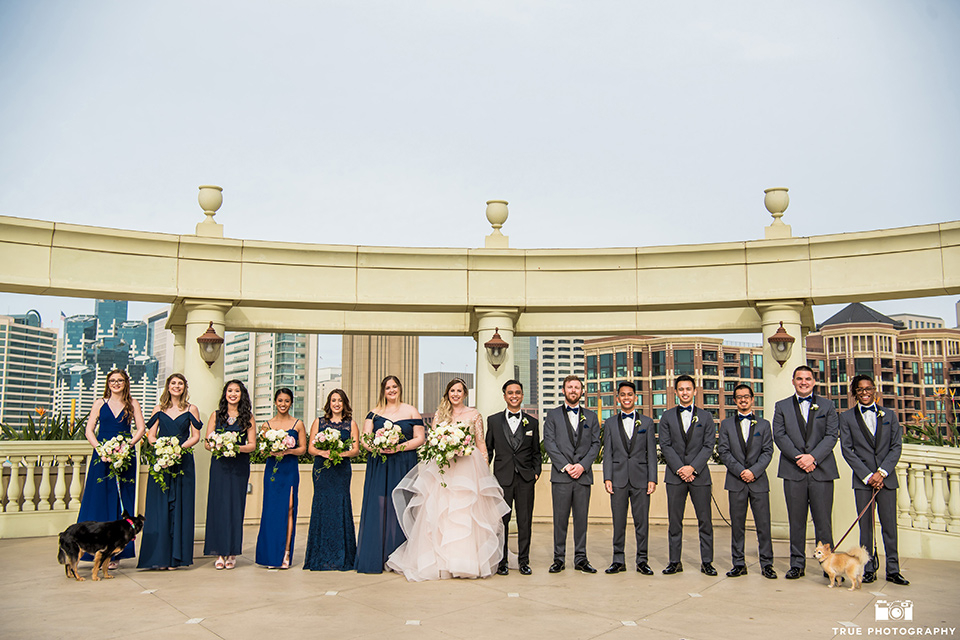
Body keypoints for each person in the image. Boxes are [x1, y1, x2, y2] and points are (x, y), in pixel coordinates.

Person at [387, 378, 509, 581]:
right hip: (444, 472)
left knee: (464, 514)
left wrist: (484, 471)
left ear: (465, 393)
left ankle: (465, 563)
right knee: (441, 513)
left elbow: (481, 444)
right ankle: (442, 563)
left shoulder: (474, 415)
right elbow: (432, 443)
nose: (455, 394)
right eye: (452, 390)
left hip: (468, 471)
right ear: (447, 393)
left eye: (459, 390)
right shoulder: (440, 415)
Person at [839, 374, 909, 586]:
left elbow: (896, 446)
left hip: (887, 481)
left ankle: (893, 570)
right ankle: (868, 569)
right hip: (863, 482)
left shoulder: (889, 414)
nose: (865, 392)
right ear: (854, 393)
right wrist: (868, 476)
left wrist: (883, 472)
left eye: (868, 388)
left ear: (874, 390)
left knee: (889, 526)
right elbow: (847, 449)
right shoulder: (847, 418)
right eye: (860, 390)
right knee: (866, 528)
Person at [772, 365, 839, 580]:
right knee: (796, 521)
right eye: (799, 378)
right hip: (794, 472)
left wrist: (813, 458)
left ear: (813, 382)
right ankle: (797, 565)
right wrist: (800, 459)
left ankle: (829, 567)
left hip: (822, 471)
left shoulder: (828, 406)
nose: (803, 382)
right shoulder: (781, 406)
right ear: (793, 381)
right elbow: (780, 436)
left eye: (807, 379)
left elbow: (831, 436)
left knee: (823, 522)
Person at [354, 376, 425, 573]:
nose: (391, 390)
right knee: (380, 506)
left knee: (401, 506)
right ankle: (379, 555)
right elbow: (365, 440)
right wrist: (378, 447)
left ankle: (400, 557)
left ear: (400, 389)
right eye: (388, 388)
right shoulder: (374, 414)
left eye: (394, 387)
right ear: (383, 391)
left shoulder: (411, 410)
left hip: (404, 463)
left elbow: (420, 438)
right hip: (380, 463)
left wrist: (399, 447)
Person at [77, 368, 146, 569]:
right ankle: (90, 549)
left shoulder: (133, 404)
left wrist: (128, 446)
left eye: (120, 380)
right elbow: (89, 430)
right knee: (98, 499)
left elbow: (141, 428)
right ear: (108, 383)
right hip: (103, 456)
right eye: (112, 380)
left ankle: (114, 554)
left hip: (125, 456)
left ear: (126, 383)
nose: (116, 383)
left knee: (122, 500)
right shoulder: (100, 403)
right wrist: (100, 449)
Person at [137, 374, 202, 570]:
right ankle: (159, 557)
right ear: (168, 386)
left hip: (183, 461)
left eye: (180, 383)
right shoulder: (158, 409)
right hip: (162, 462)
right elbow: (151, 436)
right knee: (159, 508)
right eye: (173, 383)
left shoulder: (192, 409)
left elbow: (196, 436)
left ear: (185, 387)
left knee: (181, 507)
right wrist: (164, 448)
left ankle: (177, 558)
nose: (176, 386)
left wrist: (179, 448)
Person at [716, 384, 776, 579]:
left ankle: (767, 564)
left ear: (752, 399)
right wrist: (741, 471)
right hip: (736, 481)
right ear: (735, 401)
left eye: (746, 397)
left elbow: (768, 451)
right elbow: (723, 451)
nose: (743, 400)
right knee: (737, 525)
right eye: (739, 397)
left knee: (763, 525)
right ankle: (738, 563)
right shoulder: (725, 424)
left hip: (758, 482)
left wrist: (754, 471)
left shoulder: (764, 425)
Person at [659, 374, 717, 576]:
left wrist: (692, 468)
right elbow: (665, 445)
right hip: (675, 477)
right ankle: (674, 561)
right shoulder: (666, 417)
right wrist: (680, 469)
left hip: (699, 476)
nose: (685, 392)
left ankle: (707, 562)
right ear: (676, 392)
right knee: (675, 521)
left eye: (688, 389)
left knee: (705, 521)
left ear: (695, 391)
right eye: (681, 389)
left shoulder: (706, 417)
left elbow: (709, 445)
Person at [542, 374, 601, 574]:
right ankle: (558, 559)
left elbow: (596, 444)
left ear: (582, 391)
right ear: (563, 391)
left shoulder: (591, 417)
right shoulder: (552, 416)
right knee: (560, 519)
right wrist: (567, 466)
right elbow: (549, 443)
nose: (573, 390)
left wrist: (582, 466)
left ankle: (581, 558)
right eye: (570, 387)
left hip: (583, 476)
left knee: (581, 519)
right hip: (561, 476)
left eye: (577, 387)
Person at [601, 381, 657, 575]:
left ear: (635, 397)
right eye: (623, 395)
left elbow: (651, 452)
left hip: (641, 479)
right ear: (618, 398)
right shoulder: (609, 423)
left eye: (630, 394)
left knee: (642, 522)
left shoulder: (648, 423)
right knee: (618, 521)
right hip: (617, 479)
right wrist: (607, 477)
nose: (626, 398)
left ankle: (642, 560)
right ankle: (618, 560)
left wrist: (653, 479)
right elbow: (607, 452)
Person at [486, 379, 540, 576]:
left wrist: (535, 472)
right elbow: (488, 451)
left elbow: (536, 453)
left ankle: (524, 561)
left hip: (526, 479)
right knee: (502, 522)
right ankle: (502, 562)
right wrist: (486, 476)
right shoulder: (493, 421)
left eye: (517, 392)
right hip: (502, 479)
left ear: (522, 395)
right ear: (505, 396)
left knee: (525, 521)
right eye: (510, 393)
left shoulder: (532, 422)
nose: (514, 396)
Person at [303, 389, 360, 571]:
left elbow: (356, 449)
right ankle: (320, 557)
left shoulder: (351, 424)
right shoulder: (319, 422)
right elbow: (311, 448)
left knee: (340, 506)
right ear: (329, 403)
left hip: (341, 470)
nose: (337, 403)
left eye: (340, 400)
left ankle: (343, 557)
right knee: (322, 506)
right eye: (333, 400)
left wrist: (339, 453)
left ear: (345, 404)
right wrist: (323, 452)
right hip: (322, 470)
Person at [203, 380, 257, 570]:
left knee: (235, 506)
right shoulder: (216, 415)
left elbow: (252, 445)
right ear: (225, 394)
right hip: (220, 466)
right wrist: (218, 445)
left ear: (242, 394)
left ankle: (232, 551)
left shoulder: (248, 417)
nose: (232, 394)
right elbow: (207, 443)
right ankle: (219, 551)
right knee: (218, 506)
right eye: (229, 390)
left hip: (238, 466)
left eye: (236, 391)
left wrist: (234, 447)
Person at [255, 388, 307, 569]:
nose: (283, 404)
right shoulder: (267, 425)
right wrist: (272, 450)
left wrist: (287, 450)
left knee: (290, 508)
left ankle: (285, 552)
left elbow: (303, 449)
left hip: (290, 469)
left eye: (286, 401)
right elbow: (261, 450)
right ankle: (271, 555)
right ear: (275, 402)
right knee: (271, 511)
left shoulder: (298, 424)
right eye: (280, 401)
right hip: (273, 472)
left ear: (291, 403)